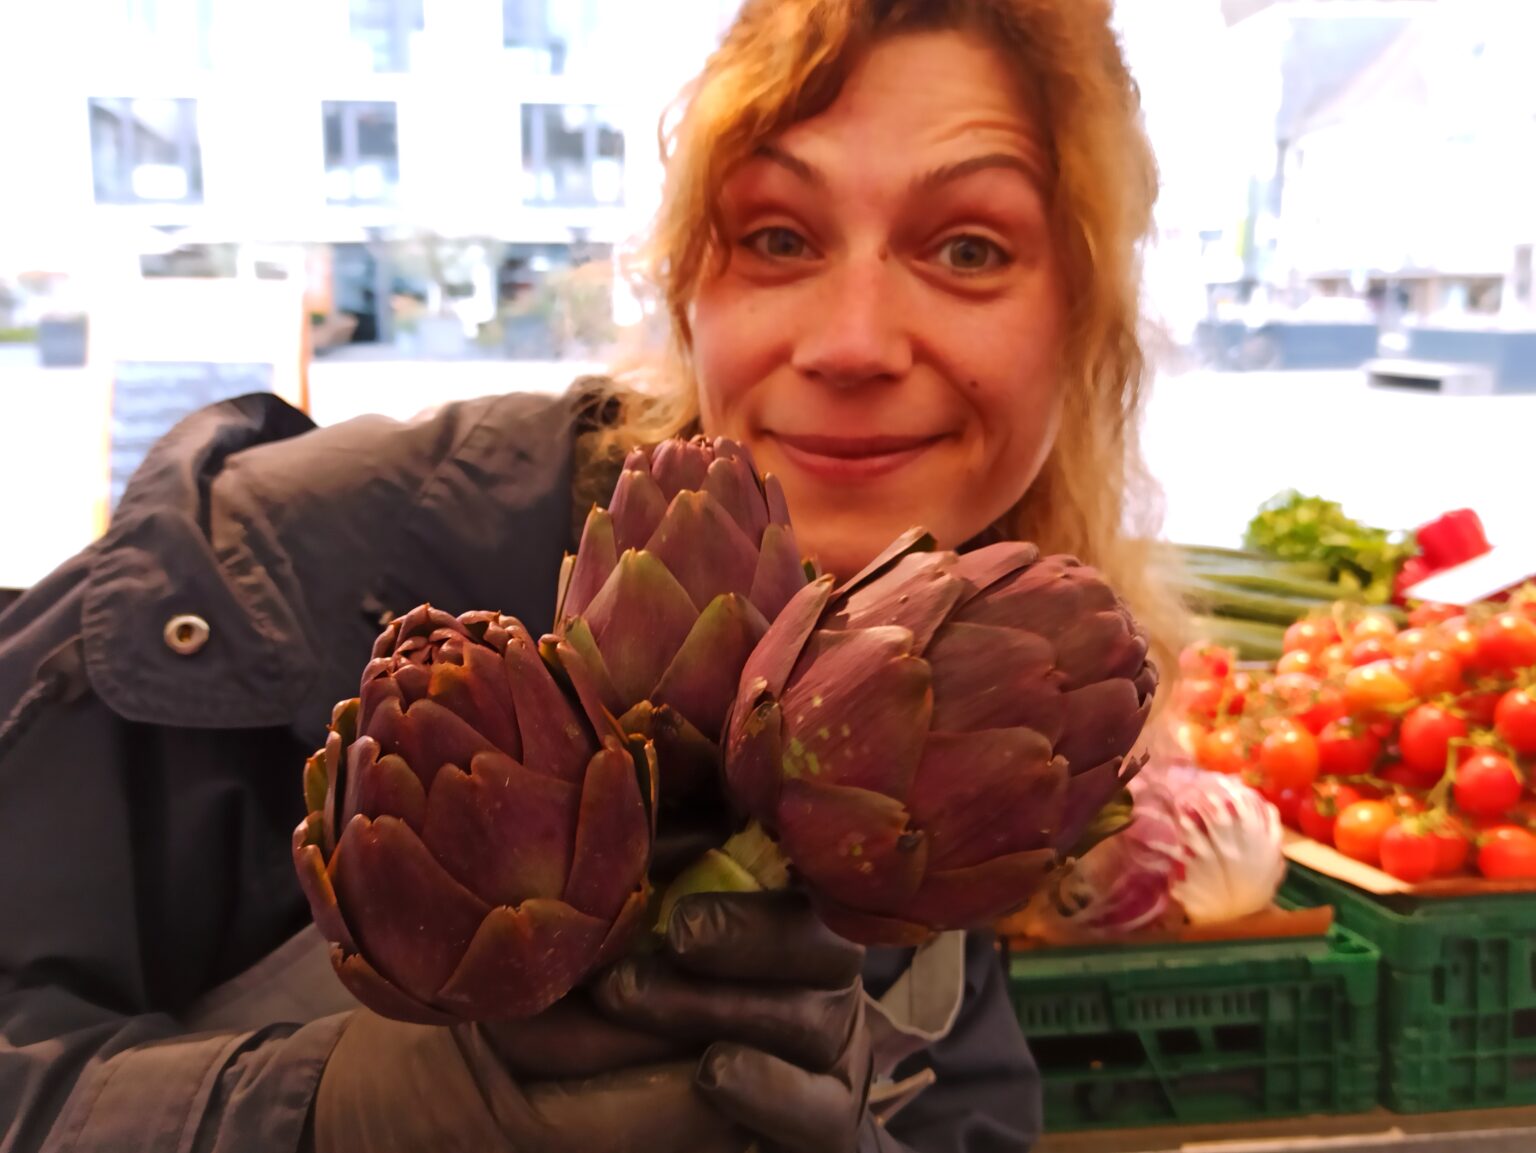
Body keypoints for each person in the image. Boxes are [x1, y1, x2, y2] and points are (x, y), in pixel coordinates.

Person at [0, 1, 1174, 1149]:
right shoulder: (260, 568)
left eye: (968, 248)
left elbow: (966, 1112)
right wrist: (322, 1109)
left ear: (1083, 322)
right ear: (689, 287)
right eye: (778, 236)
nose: (852, 341)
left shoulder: (981, 691)